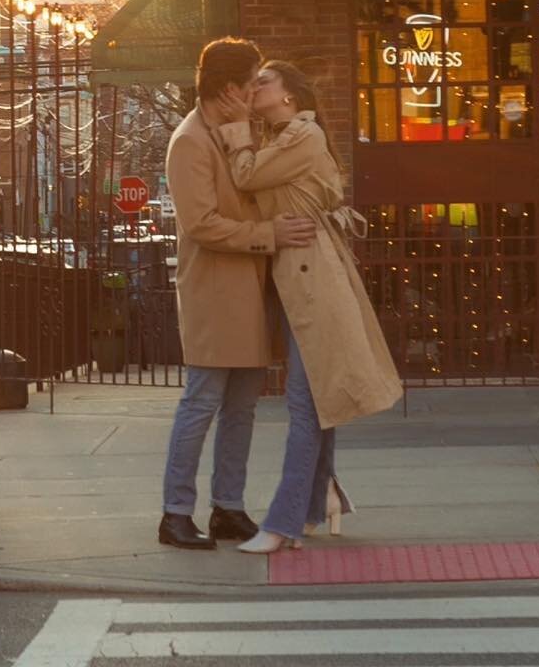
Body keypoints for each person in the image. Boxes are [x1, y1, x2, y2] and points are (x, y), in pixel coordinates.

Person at [215, 60, 402, 554]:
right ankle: (321, 499)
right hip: (299, 275)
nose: (254, 87)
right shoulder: (284, 137)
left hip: (312, 276)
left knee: (305, 404)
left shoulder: (302, 136)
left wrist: (236, 129)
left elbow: (247, 176)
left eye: (264, 82)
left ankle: (284, 522)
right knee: (317, 400)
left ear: (291, 97)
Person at [158, 38, 318, 550]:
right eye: (251, 84)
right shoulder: (190, 141)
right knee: (201, 402)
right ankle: (175, 512)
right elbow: (201, 224)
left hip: (251, 287)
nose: (255, 93)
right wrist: (270, 234)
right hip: (214, 290)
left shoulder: (235, 132)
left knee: (243, 407)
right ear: (229, 89)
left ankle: (228, 505)